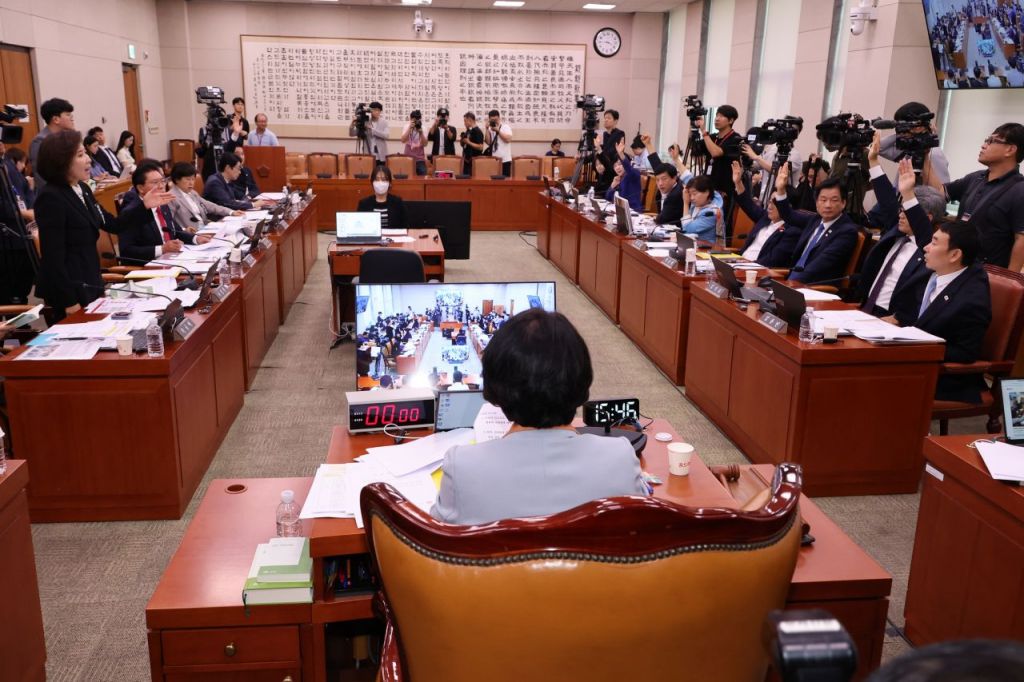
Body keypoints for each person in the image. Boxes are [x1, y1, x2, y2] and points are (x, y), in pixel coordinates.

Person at [430, 308, 647, 525]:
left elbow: (436, 531)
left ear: (494, 387)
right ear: (582, 380)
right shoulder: (620, 458)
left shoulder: (462, 467)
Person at [33, 130, 172, 318]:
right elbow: (53, 257)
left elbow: (113, 224)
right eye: (80, 155)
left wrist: (144, 206)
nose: (88, 160)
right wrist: (69, 301)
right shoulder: (51, 197)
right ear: (62, 161)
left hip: (90, 281)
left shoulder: (82, 188)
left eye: (86, 154)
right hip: (68, 291)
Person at [891, 219, 991, 404]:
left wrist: (917, 346)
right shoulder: (932, 272)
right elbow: (912, 315)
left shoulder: (971, 299)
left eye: (934, 243)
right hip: (910, 358)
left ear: (954, 255)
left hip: (943, 377)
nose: (926, 248)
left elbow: (966, 353)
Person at [858, 136, 944, 322]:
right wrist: (873, 161)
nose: (901, 215)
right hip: (865, 308)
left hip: (891, 319)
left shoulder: (928, 246)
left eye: (907, 211)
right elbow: (887, 200)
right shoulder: (896, 231)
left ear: (927, 218)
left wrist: (908, 194)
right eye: (901, 210)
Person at [935, 123, 1024, 271]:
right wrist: (926, 155)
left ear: (1010, 149)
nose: (983, 145)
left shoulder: (1019, 189)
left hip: (986, 273)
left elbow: (1021, 239)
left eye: (991, 141)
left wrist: (1010, 278)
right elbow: (939, 192)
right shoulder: (976, 178)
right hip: (956, 264)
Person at [773, 164, 859, 285]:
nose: (828, 205)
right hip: (791, 281)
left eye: (834, 200)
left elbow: (818, 267)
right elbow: (789, 216)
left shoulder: (847, 231)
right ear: (817, 203)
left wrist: (789, 285)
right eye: (823, 200)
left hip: (813, 287)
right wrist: (781, 189)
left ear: (843, 203)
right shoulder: (816, 220)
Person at [117, 161, 210, 262]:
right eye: (155, 182)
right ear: (140, 188)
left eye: (162, 181)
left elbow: (175, 231)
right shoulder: (130, 212)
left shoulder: (163, 204)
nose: (161, 186)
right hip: (148, 265)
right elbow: (126, 251)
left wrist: (196, 239)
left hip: (172, 259)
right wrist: (162, 249)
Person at [731, 161, 802, 267]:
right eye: (769, 202)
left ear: (787, 206)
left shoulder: (792, 232)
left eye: (775, 203)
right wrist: (738, 182)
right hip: (739, 263)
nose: (769, 206)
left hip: (756, 270)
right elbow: (747, 203)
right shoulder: (765, 217)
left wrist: (743, 265)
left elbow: (772, 261)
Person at [878, 101, 950, 186]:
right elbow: (879, 148)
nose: (901, 130)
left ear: (919, 127)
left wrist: (925, 132)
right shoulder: (910, 149)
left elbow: (943, 189)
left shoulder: (934, 154)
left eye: (904, 125)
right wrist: (901, 133)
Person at [696, 104, 742, 228]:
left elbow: (716, 153)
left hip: (724, 191)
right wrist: (694, 129)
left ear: (731, 120)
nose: (717, 119)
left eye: (721, 116)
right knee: (703, 223)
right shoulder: (712, 138)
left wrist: (704, 132)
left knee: (719, 226)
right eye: (716, 115)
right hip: (708, 189)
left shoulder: (735, 139)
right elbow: (695, 150)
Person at [167, 162, 242, 229]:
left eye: (193, 179)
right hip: (191, 234)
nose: (191, 183)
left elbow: (209, 205)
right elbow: (169, 222)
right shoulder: (171, 197)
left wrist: (231, 212)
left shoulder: (192, 193)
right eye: (188, 179)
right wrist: (184, 230)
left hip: (205, 228)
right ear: (177, 180)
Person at [29, 97, 75, 188]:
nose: (72, 118)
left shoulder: (65, 138)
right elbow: (40, 176)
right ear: (56, 119)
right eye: (68, 115)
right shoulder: (40, 141)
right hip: (53, 193)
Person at [356, 165, 408, 230]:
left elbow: (405, 227)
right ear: (372, 183)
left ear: (390, 183)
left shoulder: (398, 203)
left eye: (383, 180)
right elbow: (359, 227)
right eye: (377, 179)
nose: (380, 182)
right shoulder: (364, 204)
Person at [680, 175, 722, 243]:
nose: (691, 198)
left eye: (694, 194)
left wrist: (686, 203)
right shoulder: (697, 205)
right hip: (693, 246)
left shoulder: (711, 213)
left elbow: (687, 229)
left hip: (708, 248)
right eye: (690, 195)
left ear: (707, 192)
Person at [605, 138, 642, 211]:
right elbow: (608, 198)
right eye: (615, 166)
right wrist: (612, 186)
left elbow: (628, 167)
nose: (617, 168)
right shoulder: (618, 178)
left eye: (620, 164)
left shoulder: (634, 173)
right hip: (619, 211)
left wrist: (621, 154)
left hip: (633, 212)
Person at [596, 109, 625, 192]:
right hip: (603, 171)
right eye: (605, 118)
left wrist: (601, 155)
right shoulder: (604, 134)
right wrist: (598, 163)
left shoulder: (619, 133)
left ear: (615, 121)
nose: (605, 120)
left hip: (612, 170)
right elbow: (598, 151)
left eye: (608, 118)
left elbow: (611, 153)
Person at [651, 163, 684, 227]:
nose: (660, 183)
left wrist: (656, 218)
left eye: (664, 179)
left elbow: (662, 220)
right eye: (657, 180)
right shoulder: (662, 190)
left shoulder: (676, 195)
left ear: (674, 178)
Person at [484, 109, 513, 176]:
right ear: (489, 120)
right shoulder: (490, 129)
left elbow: (508, 139)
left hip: (505, 160)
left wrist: (498, 131)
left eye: (496, 120)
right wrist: (487, 129)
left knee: (505, 180)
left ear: (499, 118)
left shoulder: (505, 127)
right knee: (494, 180)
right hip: (494, 160)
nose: (494, 122)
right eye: (492, 120)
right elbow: (488, 142)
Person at [401, 110, 428, 176]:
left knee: (423, 178)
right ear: (410, 119)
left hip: (420, 159)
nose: (416, 122)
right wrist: (409, 128)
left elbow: (425, 144)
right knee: (407, 178)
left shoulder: (423, 128)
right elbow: (403, 140)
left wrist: (421, 132)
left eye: (418, 119)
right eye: (414, 120)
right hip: (408, 158)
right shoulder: (406, 126)